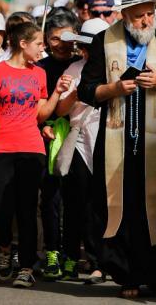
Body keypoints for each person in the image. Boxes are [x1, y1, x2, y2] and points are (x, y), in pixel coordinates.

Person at [77, 0, 156, 299]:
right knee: (121, 206)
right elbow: (87, 90)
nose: (146, 21)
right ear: (124, 15)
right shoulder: (104, 40)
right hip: (117, 138)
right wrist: (115, 89)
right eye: (139, 16)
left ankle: (153, 272)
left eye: (150, 14)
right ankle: (126, 275)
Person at [0, 22, 71, 288]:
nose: (44, 48)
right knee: (1, 208)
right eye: (39, 43)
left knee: (27, 209)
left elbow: (42, 114)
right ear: (23, 44)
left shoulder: (39, 74)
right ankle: (4, 249)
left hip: (31, 147)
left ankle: (26, 266)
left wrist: (58, 93)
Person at [55, 18, 110, 283]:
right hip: (79, 138)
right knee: (78, 202)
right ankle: (76, 258)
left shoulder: (115, 69)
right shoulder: (74, 68)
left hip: (109, 137)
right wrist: (73, 94)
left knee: (103, 204)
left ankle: (103, 260)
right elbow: (61, 111)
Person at [36, 9, 81, 280]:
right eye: (55, 39)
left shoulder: (83, 63)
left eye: (68, 37)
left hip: (78, 136)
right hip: (46, 138)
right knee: (50, 200)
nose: (62, 44)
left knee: (76, 200)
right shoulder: (39, 69)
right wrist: (44, 125)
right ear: (45, 39)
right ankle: (52, 252)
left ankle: (73, 255)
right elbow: (35, 106)